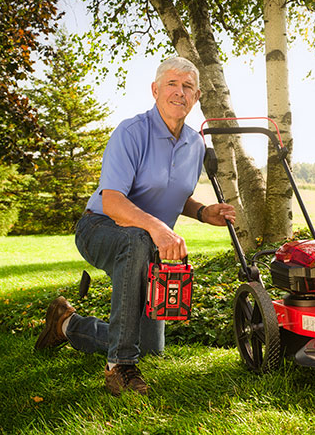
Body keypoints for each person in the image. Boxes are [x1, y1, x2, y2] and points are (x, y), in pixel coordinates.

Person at [34, 56, 236, 396]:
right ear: (155, 90)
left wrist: (203, 212)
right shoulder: (131, 132)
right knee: (139, 240)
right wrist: (158, 229)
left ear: (197, 96)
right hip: (100, 229)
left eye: (187, 86)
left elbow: (172, 194)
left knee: (151, 346)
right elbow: (113, 201)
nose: (179, 92)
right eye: (171, 83)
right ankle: (120, 367)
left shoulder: (195, 145)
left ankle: (65, 323)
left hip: (145, 243)